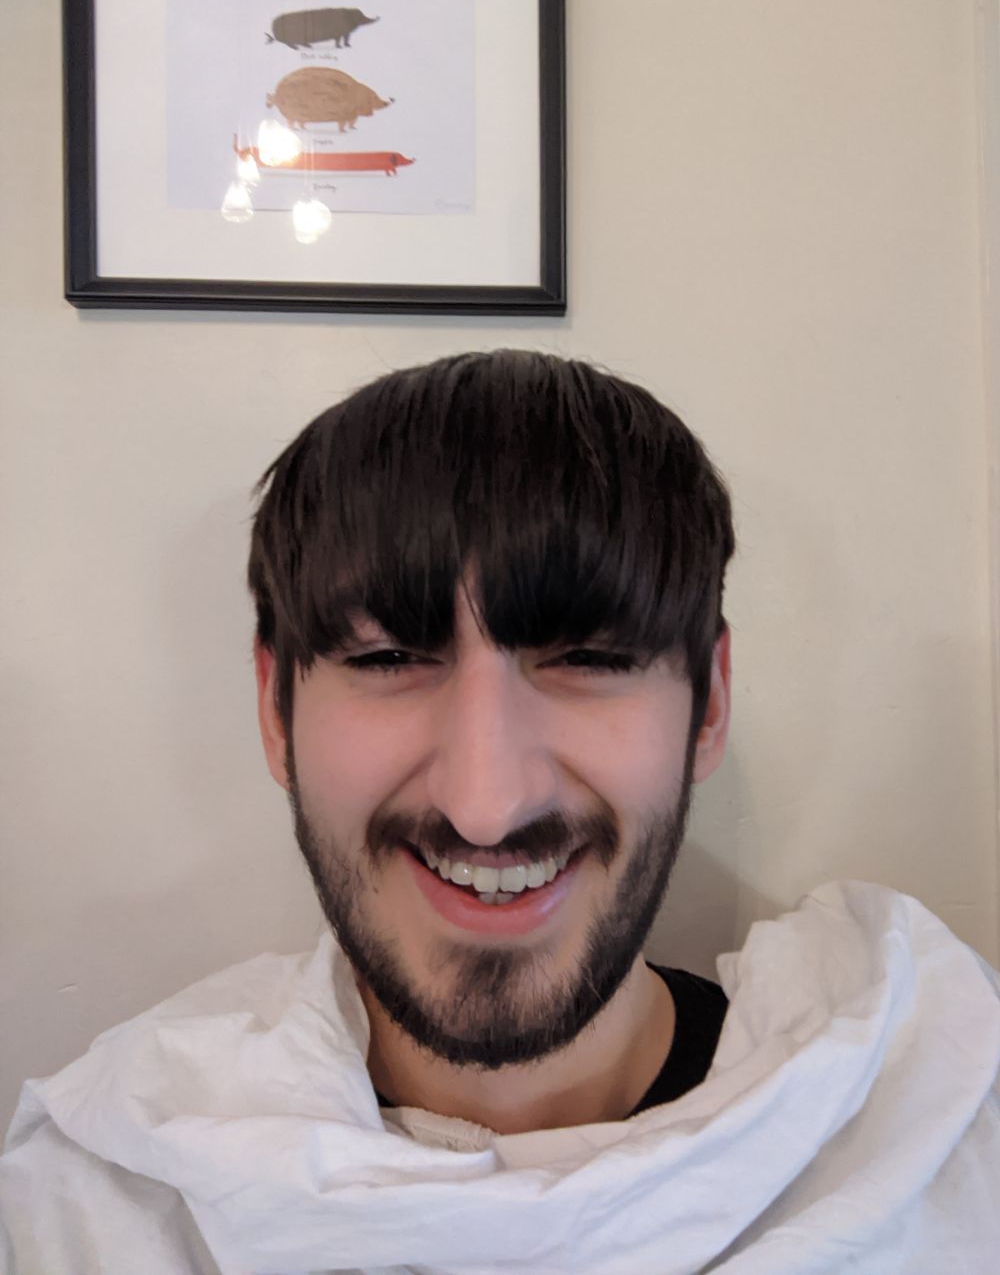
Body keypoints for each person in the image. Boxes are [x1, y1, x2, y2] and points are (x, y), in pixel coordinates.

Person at [1, 349, 997, 1274]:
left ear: (710, 702)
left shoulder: (927, 1132)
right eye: (387, 657)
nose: (486, 805)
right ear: (275, 709)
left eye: (592, 657)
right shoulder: (101, 1200)